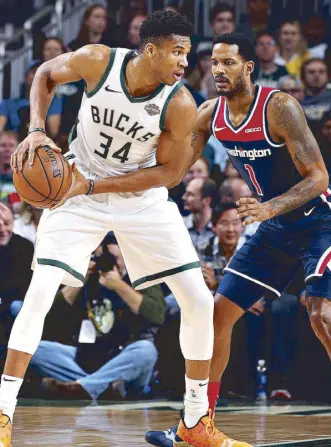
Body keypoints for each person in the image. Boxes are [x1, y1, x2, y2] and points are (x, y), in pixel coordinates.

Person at [6, 10, 249, 447]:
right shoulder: (99, 61)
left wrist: (94, 183)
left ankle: (195, 421)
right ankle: (3, 415)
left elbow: (168, 175)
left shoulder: (179, 102)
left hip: (140, 200)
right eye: (176, 52)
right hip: (77, 193)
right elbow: (44, 72)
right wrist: (38, 131)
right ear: (150, 49)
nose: (184, 62)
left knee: (197, 300)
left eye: (187, 53)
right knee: (41, 289)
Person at [146, 32, 331, 446]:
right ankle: (198, 424)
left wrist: (268, 207)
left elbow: (319, 177)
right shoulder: (210, 113)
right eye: (214, 63)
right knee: (217, 316)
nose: (218, 71)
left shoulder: (280, 107)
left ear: (248, 67)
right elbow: (173, 169)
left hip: (318, 220)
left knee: (320, 315)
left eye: (228, 63)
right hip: (274, 227)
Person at [31, 238, 166, 401]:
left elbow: (157, 315)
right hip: (90, 355)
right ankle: (99, 387)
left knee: (146, 350)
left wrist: (119, 285)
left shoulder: (142, 275)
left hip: (125, 359)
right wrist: (80, 279)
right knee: (34, 349)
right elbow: (50, 313)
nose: (107, 263)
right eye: (100, 257)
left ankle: (85, 386)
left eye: (113, 258)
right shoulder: (91, 278)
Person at [182, 178, 217, 250]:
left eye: (190, 194)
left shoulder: (219, 228)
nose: (183, 197)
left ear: (206, 200)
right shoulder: (179, 225)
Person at [300, 58, 331, 134]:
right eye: (311, 72)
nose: (316, 75)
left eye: (321, 72)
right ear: (303, 77)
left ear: (328, 76)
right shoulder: (295, 99)